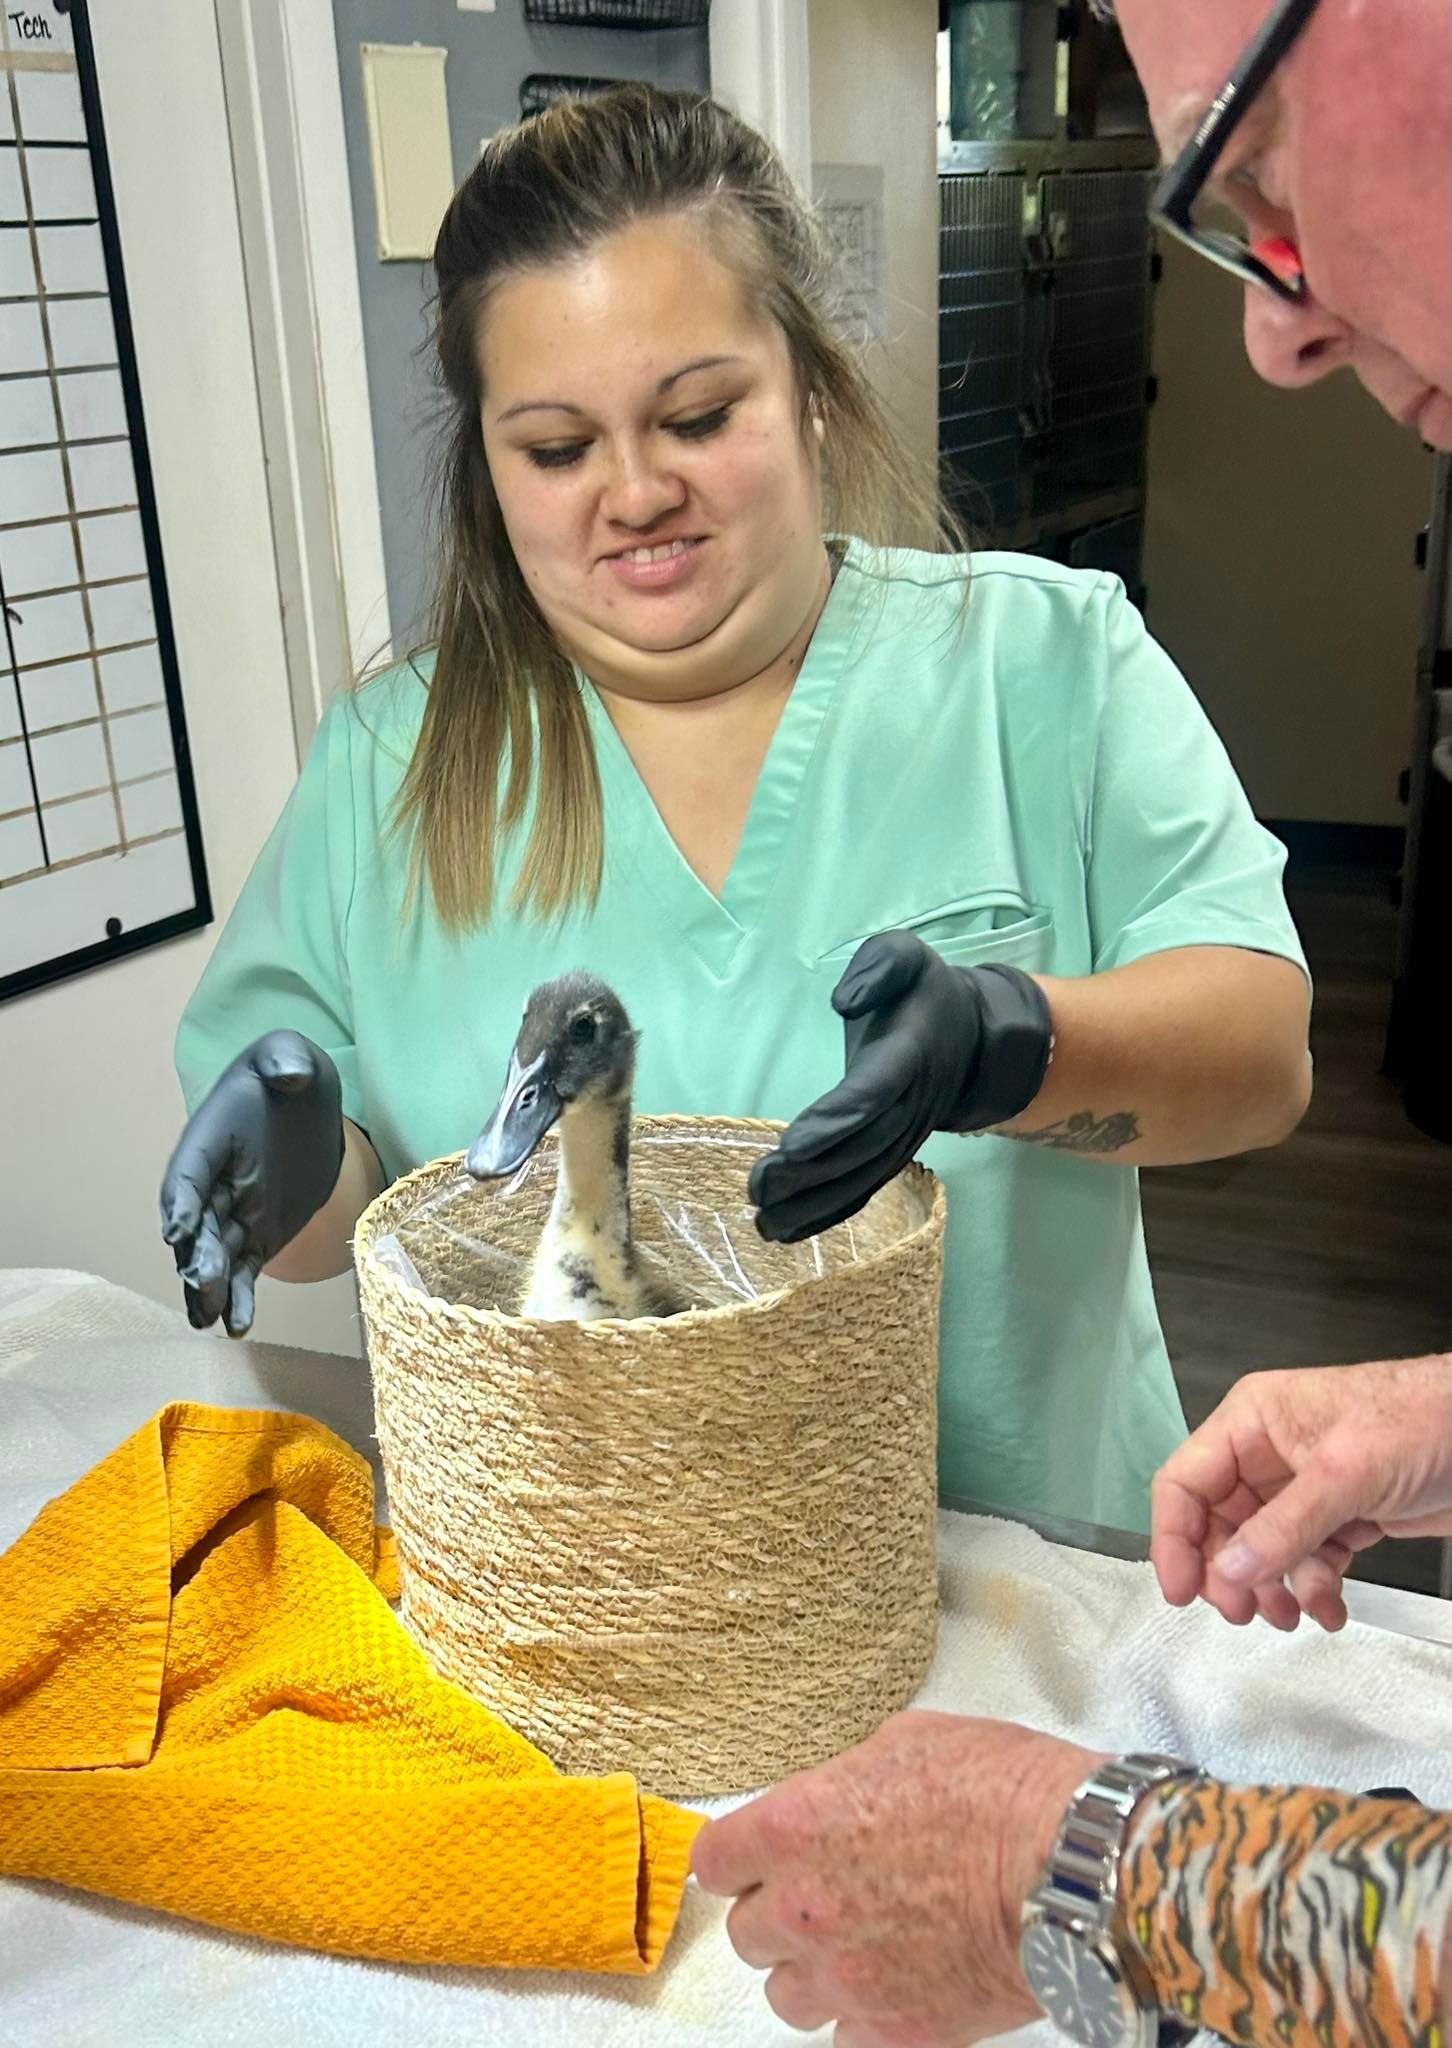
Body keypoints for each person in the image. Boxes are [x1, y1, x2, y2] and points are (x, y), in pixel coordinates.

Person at [158, 87, 1310, 1539]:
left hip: (1021, 1588)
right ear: (489, 473)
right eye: (558, 448)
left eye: (699, 415)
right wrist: (297, 1167)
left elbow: (1261, 1063)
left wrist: (1015, 1048)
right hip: (582, 1587)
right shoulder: (389, 766)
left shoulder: (1044, 667)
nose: (637, 491)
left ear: (810, 390)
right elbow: (337, 1233)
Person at [697, 6, 1452, 2045]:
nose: (1277, 331)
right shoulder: (400, 756)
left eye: (1252, 153)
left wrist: (1097, 1873)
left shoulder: (1032, 651)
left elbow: (1253, 1035)